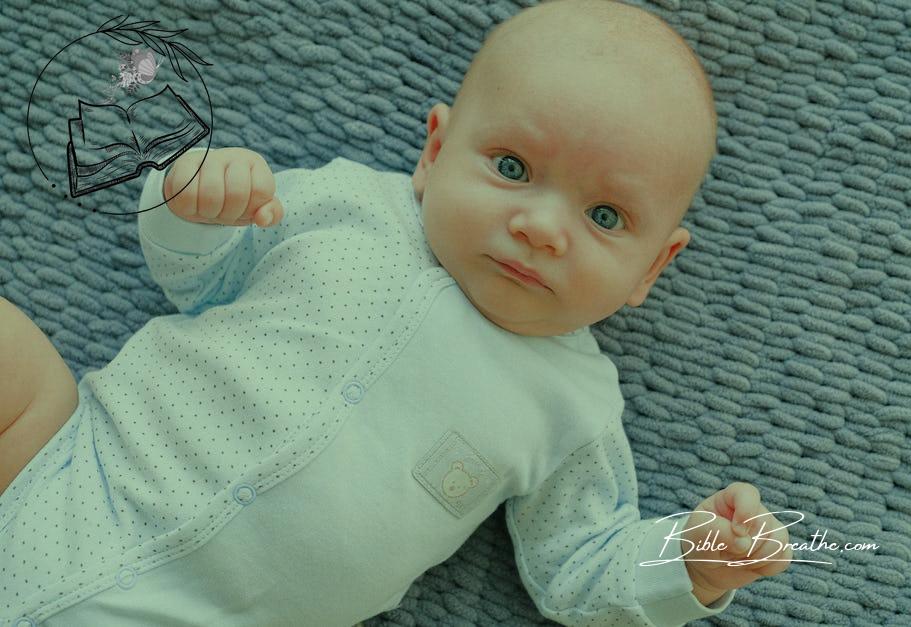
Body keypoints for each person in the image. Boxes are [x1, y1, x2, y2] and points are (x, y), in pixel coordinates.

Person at [0, 0, 792, 624]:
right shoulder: (347, 205)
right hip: (66, 463)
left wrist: (691, 561)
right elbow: (201, 280)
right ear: (436, 152)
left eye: (607, 218)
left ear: (653, 266)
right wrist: (196, 205)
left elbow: (580, 564)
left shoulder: (574, 408)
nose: (543, 228)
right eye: (512, 167)